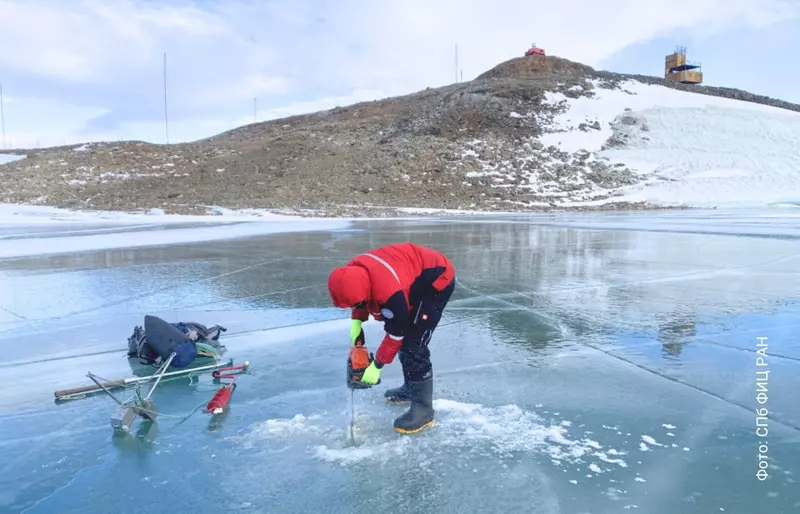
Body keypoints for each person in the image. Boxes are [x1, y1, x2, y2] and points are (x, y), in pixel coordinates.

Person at [327, 242, 456, 434]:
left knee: (414, 343)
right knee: (407, 339)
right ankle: (411, 388)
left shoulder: (390, 293)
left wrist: (376, 366)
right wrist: (357, 323)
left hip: (436, 280)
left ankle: (424, 410)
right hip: (410, 275)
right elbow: (360, 299)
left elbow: (396, 333)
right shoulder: (352, 274)